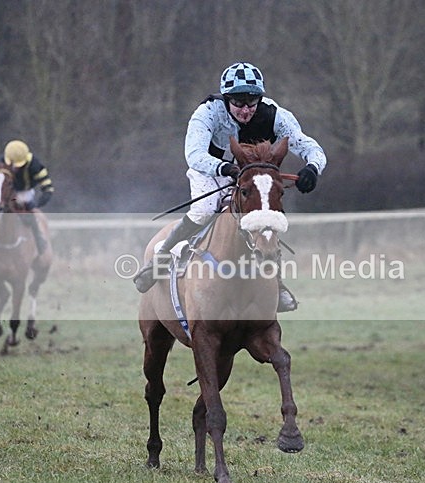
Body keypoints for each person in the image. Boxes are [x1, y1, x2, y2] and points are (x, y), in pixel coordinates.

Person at [133, 61, 327, 312]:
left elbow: (309, 146)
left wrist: (313, 167)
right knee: (205, 210)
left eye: (252, 102)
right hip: (210, 171)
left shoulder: (275, 115)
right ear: (226, 99)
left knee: (263, 216)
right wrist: (224, 168)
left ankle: (275, 283)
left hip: (249, 176)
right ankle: (161, 258)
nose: (245, 110)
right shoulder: (207, 113)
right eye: (238, 102)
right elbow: (194, 155)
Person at [0, 140, 53, 255]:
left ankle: (39, 239)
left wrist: (43, 198)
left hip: (24, 192)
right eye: (14, 165)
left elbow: (47, 185)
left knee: (28, 211)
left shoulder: (34, 164)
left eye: (19, 165)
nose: (16, 168)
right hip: (5, 193)